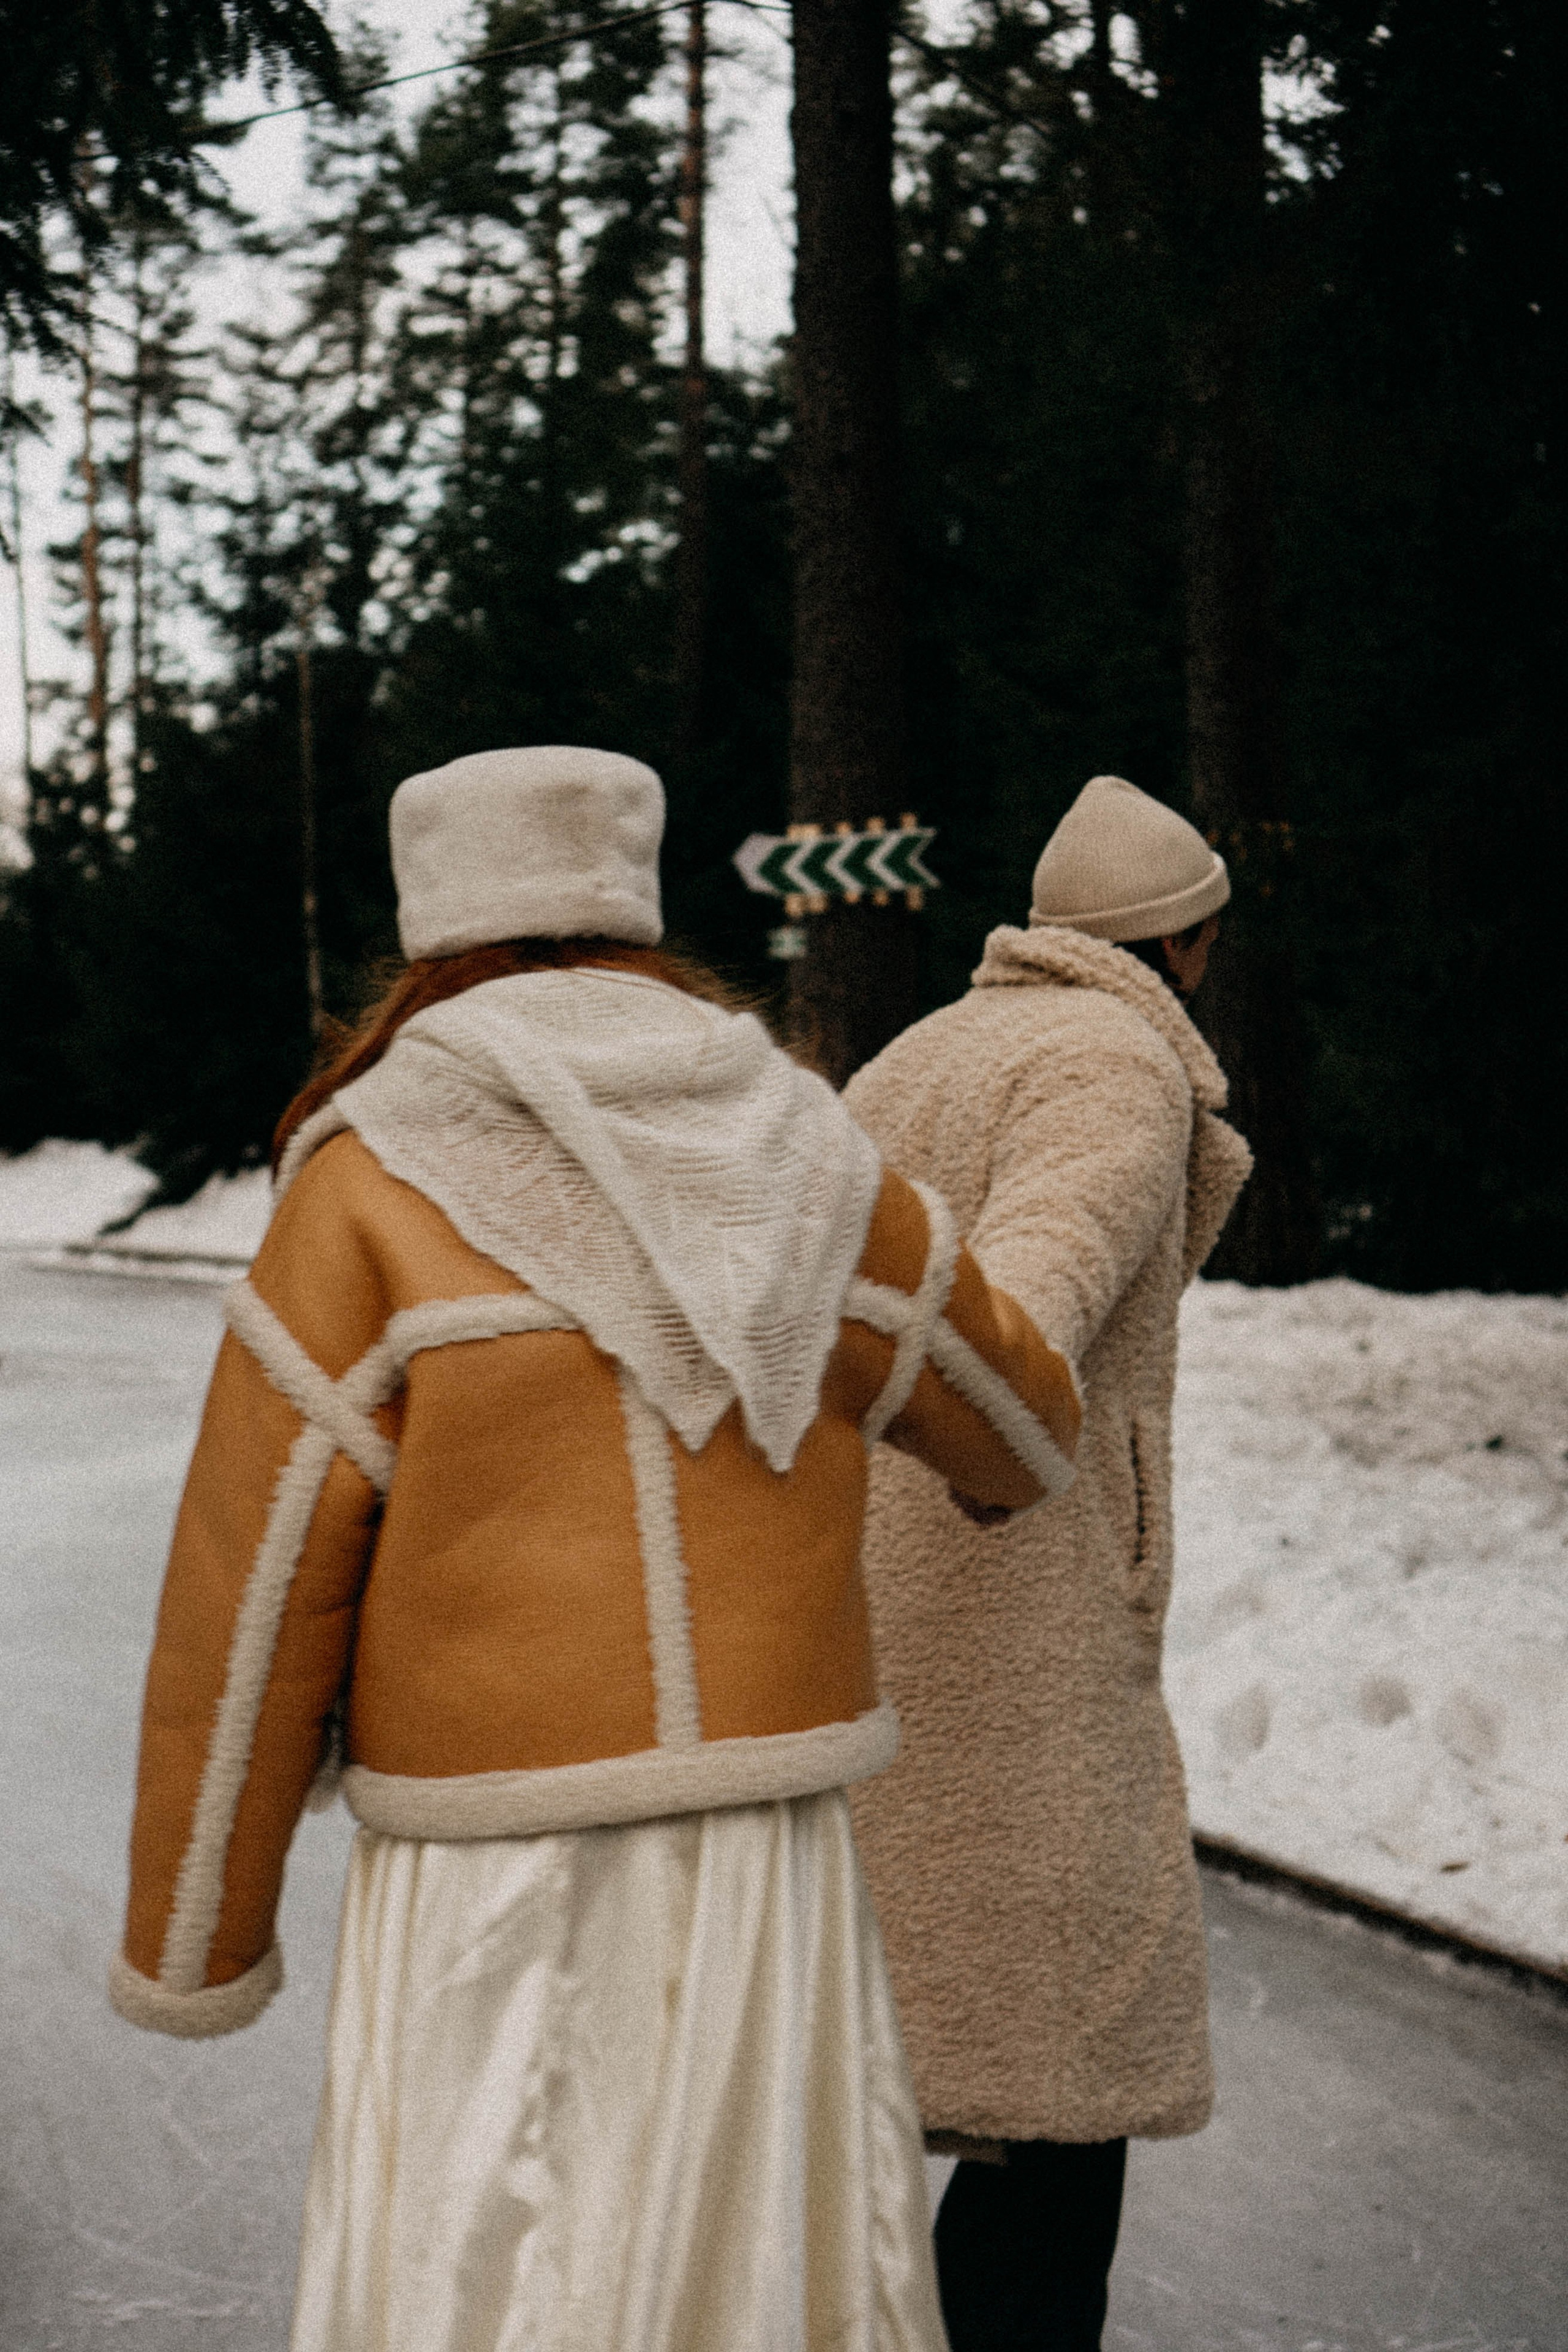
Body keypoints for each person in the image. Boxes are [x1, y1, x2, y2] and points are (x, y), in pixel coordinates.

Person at [108, 743, 1083, 2352]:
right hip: (761, 1858)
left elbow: (255, 1580)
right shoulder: (801, 1148)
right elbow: (1021, 1432)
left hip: (490, 1865)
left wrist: (195, 1928)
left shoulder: (366, 1177)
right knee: (754, 2273)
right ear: (631, 897)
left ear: (432, 922)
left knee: (498, 2272)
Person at [844, 774, 1254, 2351]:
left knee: (887, 2062)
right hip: (1018, 1621)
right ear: (1184, 943)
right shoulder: (1114, 1065)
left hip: (857, 1610)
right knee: (1068, 2078)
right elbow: (1021, 1308)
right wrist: (996, 1461)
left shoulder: (913, 1057)